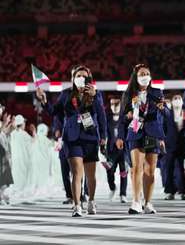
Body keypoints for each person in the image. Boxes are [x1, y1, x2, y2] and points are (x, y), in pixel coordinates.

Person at [36, 65, 107, 217]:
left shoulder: (96, 94)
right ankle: (76, 205)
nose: (81, 78)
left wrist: (104, 137)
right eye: (78, 76)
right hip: (72, 138)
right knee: (76, 172)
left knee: (90, 175)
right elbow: (54, 112)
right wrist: (44, 101)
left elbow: (101, 116)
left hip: (90, 137)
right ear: (73, 78)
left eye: (84, 76)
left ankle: (91, 201)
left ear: (89, 79)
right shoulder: (65, 94)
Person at [116, 64, 166, 214]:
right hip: (135, 132)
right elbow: (122, 118)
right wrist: (120, 135)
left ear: (150, 77)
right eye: (141, 74)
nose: (144, 76)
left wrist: (164, 109)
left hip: (152, 132)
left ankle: (148, 202)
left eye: (147, 73)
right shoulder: (128, 94)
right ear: (136, 78)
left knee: (150, 170)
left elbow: (164, 116)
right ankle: (136, 201)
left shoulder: (157, 93)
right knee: (136, 168)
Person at [160, 93, 185, 200]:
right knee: (169, 169)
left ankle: (183, 191)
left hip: (183, 145)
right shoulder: (167, 113)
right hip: (170, 145)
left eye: (179, 98)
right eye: (175, 98)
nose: (177, 100)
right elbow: (163, 127)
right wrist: (162, 140)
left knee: (183, 169)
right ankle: (170, 192)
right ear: (171, 102)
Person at [105, 97, 128, 203]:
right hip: (111, 150)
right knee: (109, 170)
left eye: (116, 104)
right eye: (112, 104)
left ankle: (123, 194)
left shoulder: (125, 117)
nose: (114, 106)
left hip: (123, 150)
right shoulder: (107, 117)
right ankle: (112, 187)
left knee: (124, 172)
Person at [0, 109, 14, 205]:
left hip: (3, 153)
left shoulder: (1, 123)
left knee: (4, 175)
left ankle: (2, 195)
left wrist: (10, 125)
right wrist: (6, 122)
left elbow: (6, 131)